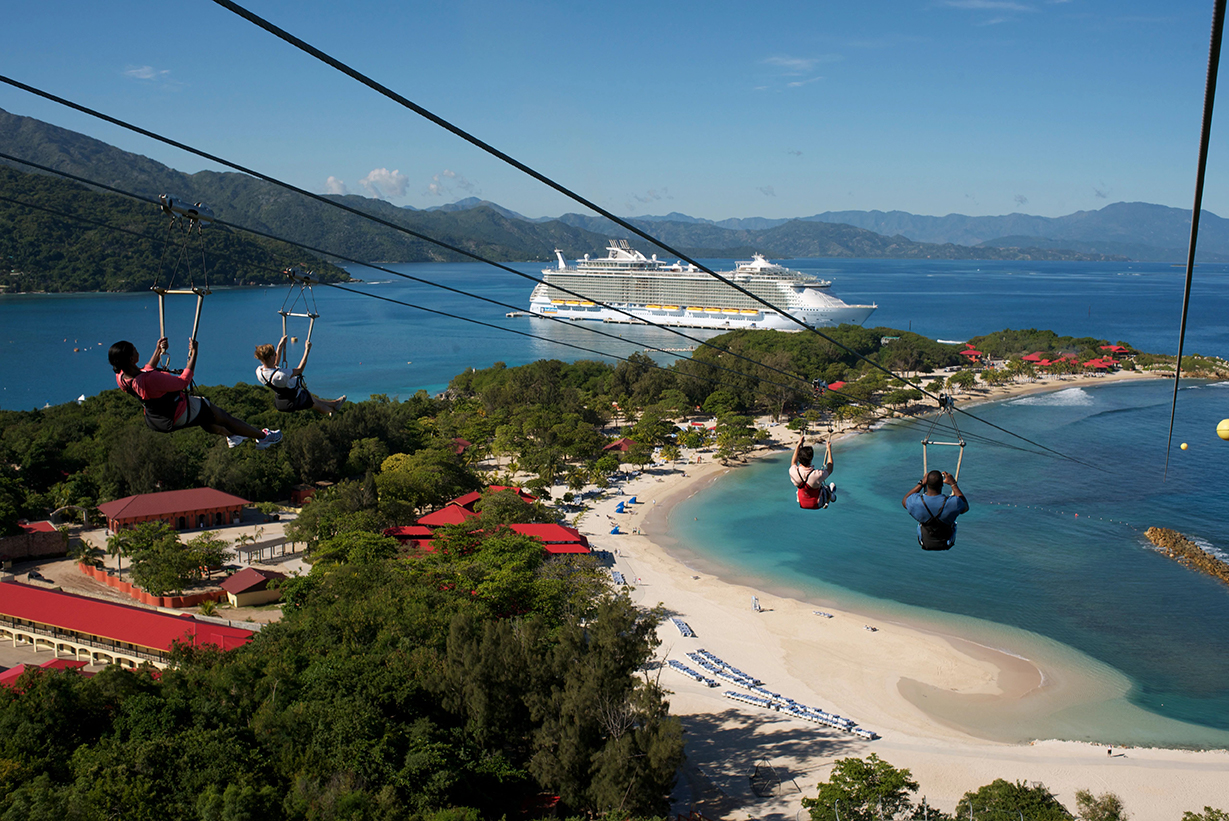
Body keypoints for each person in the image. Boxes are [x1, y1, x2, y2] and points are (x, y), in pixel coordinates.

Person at [109, 337, 281, 448]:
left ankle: (232, 436)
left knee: (203, 417)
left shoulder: (122, 377)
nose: (137, 350)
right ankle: (263, 437)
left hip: (157, 419)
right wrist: (194, 354)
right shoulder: (149, 380)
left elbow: (146, 369)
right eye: (134, 349)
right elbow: (183, 381)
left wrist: (158, 351)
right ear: (132, 358)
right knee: (221, 415)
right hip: (177, 413)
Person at [254, 336, 344, 415]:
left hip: (283, 398)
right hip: (293, 398)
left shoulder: (260, 372)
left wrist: (280, 346)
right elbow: (300, 369)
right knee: (315, 404)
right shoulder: (280, 376)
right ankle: (331, 411)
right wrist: (307, 350)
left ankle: (335, 403)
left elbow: (274, 364)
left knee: (313, 399)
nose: (276, 355)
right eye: (274, 354)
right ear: (270, 357)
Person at [903, 470, 969, 550]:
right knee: (953, 522)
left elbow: (905, 500)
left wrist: (921, 483)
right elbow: (965, 507)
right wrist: (953, 484)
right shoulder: (953, 503)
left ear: (927, 484)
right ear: (942, 485)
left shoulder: (916, 503)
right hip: (947, 541)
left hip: (924, 541)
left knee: (922, 522)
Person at [789, 433, 836, 509]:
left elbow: (793, 462)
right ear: (811, 460)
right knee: (827, 488)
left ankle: (829, 496)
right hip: (817, 504)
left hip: (802, 503)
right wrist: (829, 450)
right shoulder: (817, 475)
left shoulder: (794, 472)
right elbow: (830, 469)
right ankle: (831, 496)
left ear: (799, 459)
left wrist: (798, 445)